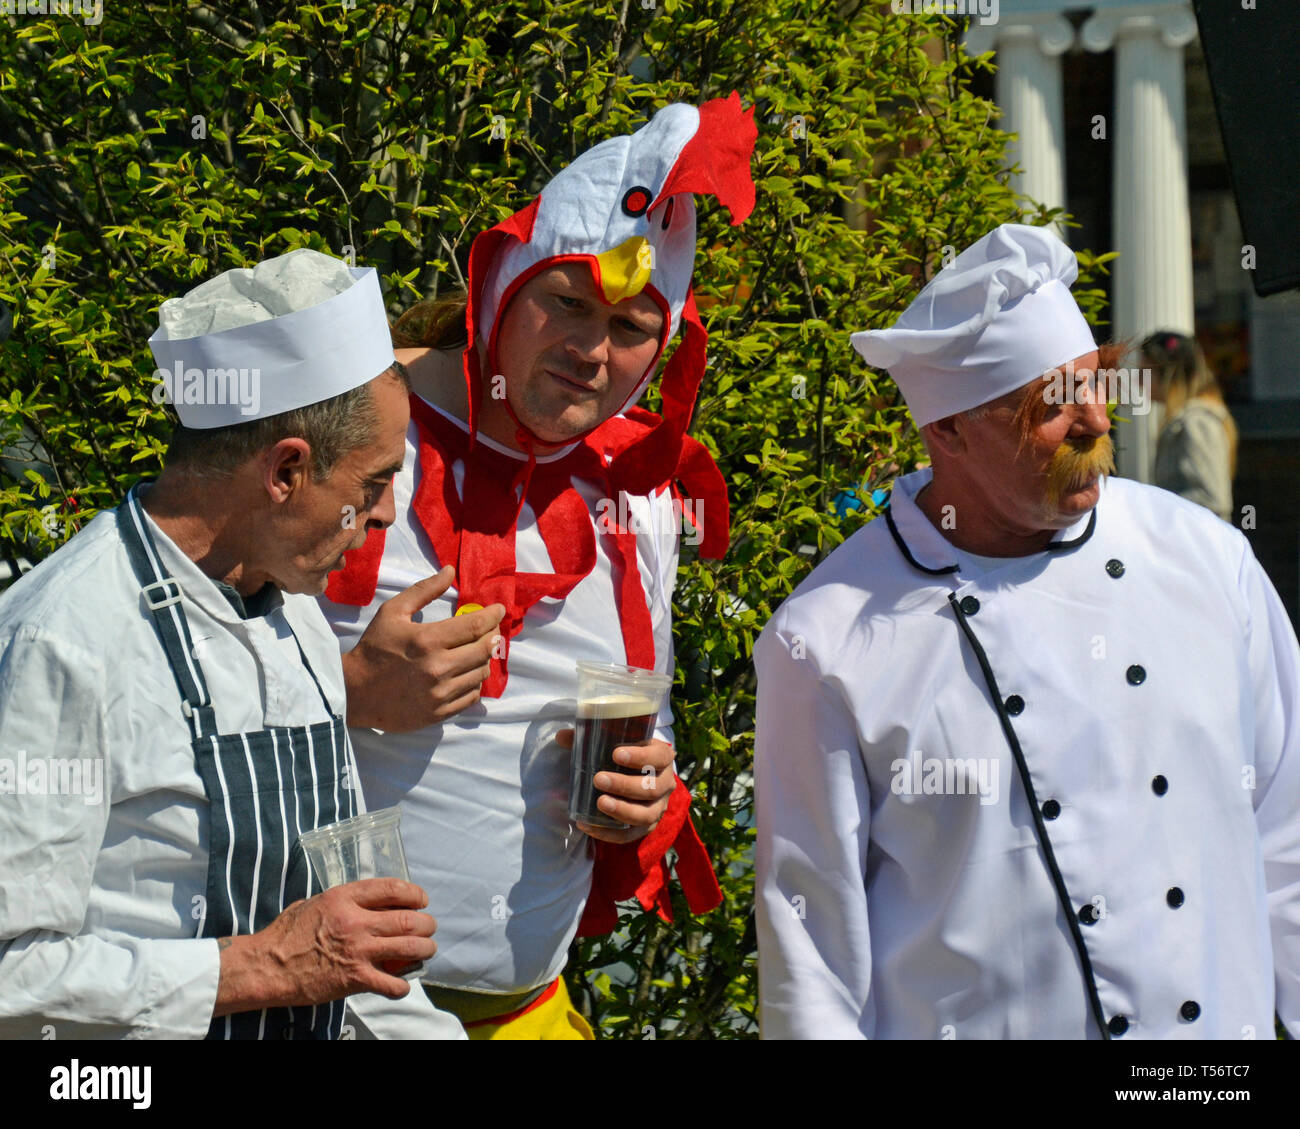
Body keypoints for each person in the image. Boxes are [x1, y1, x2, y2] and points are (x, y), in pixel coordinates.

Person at [754, 223, 1300, 1039]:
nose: (1092, 420)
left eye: (1094, 384)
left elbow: (1289, 838)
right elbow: (814, 961)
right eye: (1050, 400)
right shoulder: (827, 641)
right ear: (948, 431)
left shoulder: (1210, 565)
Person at [322, 96, 756, 1038]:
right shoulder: (347, 426)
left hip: (527, 1011)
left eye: (634, 324)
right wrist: (352, 692)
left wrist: (646, 793)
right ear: (504, 286)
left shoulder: (644, 494)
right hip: (325, 1012)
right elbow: (176, 681)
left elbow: (649, 713)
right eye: (567, 303)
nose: (592, 352)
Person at [0, 249, 463, 1039]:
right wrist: (264, 965)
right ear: (286, 471)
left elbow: (357, 953)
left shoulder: (293, 615)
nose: (383, 516)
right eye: (373, 484)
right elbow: (15, 970)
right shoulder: (62, 637)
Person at [1142, 329, 1237, 522]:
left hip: (1198, 545)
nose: (1137, 381)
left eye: (1143, 372)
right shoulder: (1186, 420)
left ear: (1167, 372)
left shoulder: (1197, 422)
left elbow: (1212, 500)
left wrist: (1148, 506)